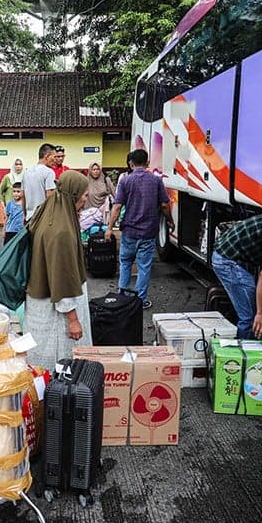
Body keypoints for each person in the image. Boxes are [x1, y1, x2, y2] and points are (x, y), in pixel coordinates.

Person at [25, 171, 93, 369]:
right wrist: (73, 320)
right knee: (62, 367)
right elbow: (61, 277)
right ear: (73, 195)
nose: (85, 200)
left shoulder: (47, 211)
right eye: (84, 195)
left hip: (40, 306)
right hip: (56, 315)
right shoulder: (61, 232)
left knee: (42, 367)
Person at [106, 149, 172, 309]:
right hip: (148, 232)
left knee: (125, 264)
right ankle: (140, 301)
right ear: (147, 162)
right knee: (144, 267)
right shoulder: (156, 181)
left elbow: (117, 207)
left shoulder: (125, 181)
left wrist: (109, 228)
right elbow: (164, 205)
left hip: (129, 231)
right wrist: (170, 221)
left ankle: (122, 296)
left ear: (131, 163)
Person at [23, 143, 57, 218]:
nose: (55, 160)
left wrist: (24, 215)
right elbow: (50, 196)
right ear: (47, 156)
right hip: (43, 217)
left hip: (29, 216)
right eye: (54, 157)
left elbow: (23, 196)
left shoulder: (26, 172)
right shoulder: (49, 172)